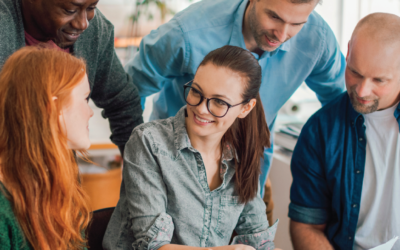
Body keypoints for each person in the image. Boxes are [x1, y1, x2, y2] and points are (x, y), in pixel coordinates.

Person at [126, 0, 346, 219]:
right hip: (172, 179)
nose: (281, 35)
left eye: (297, 24)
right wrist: (138, 159)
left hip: (251, 177)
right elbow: (129, 92)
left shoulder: (318, 38)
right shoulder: (188, 32)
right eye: (274, 17)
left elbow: (339, 104)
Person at [103, 46, 279, 250]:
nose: (201, 109)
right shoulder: (148, 142)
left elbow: (260, 241)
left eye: (219, 102)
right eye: (196, 92)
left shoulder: (242, 155)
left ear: (245, 108)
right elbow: (152, 245)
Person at [289, 13, 400, 250]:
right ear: (348, 52)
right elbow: (306, 225)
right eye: (355, 73)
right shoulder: (320, 130)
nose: (361, 90)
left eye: (379, 80)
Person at [0, 0, 143, 154]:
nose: (83, 24)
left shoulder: (94, 31)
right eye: (69, 10)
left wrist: (139, 174)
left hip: (56, 172)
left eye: (91, 8)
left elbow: (122, 102)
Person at [0, 47, 93, 249]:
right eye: (85, 99)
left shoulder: (58, 180)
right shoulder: (3, 209)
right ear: (54, 107)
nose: (90, 112)